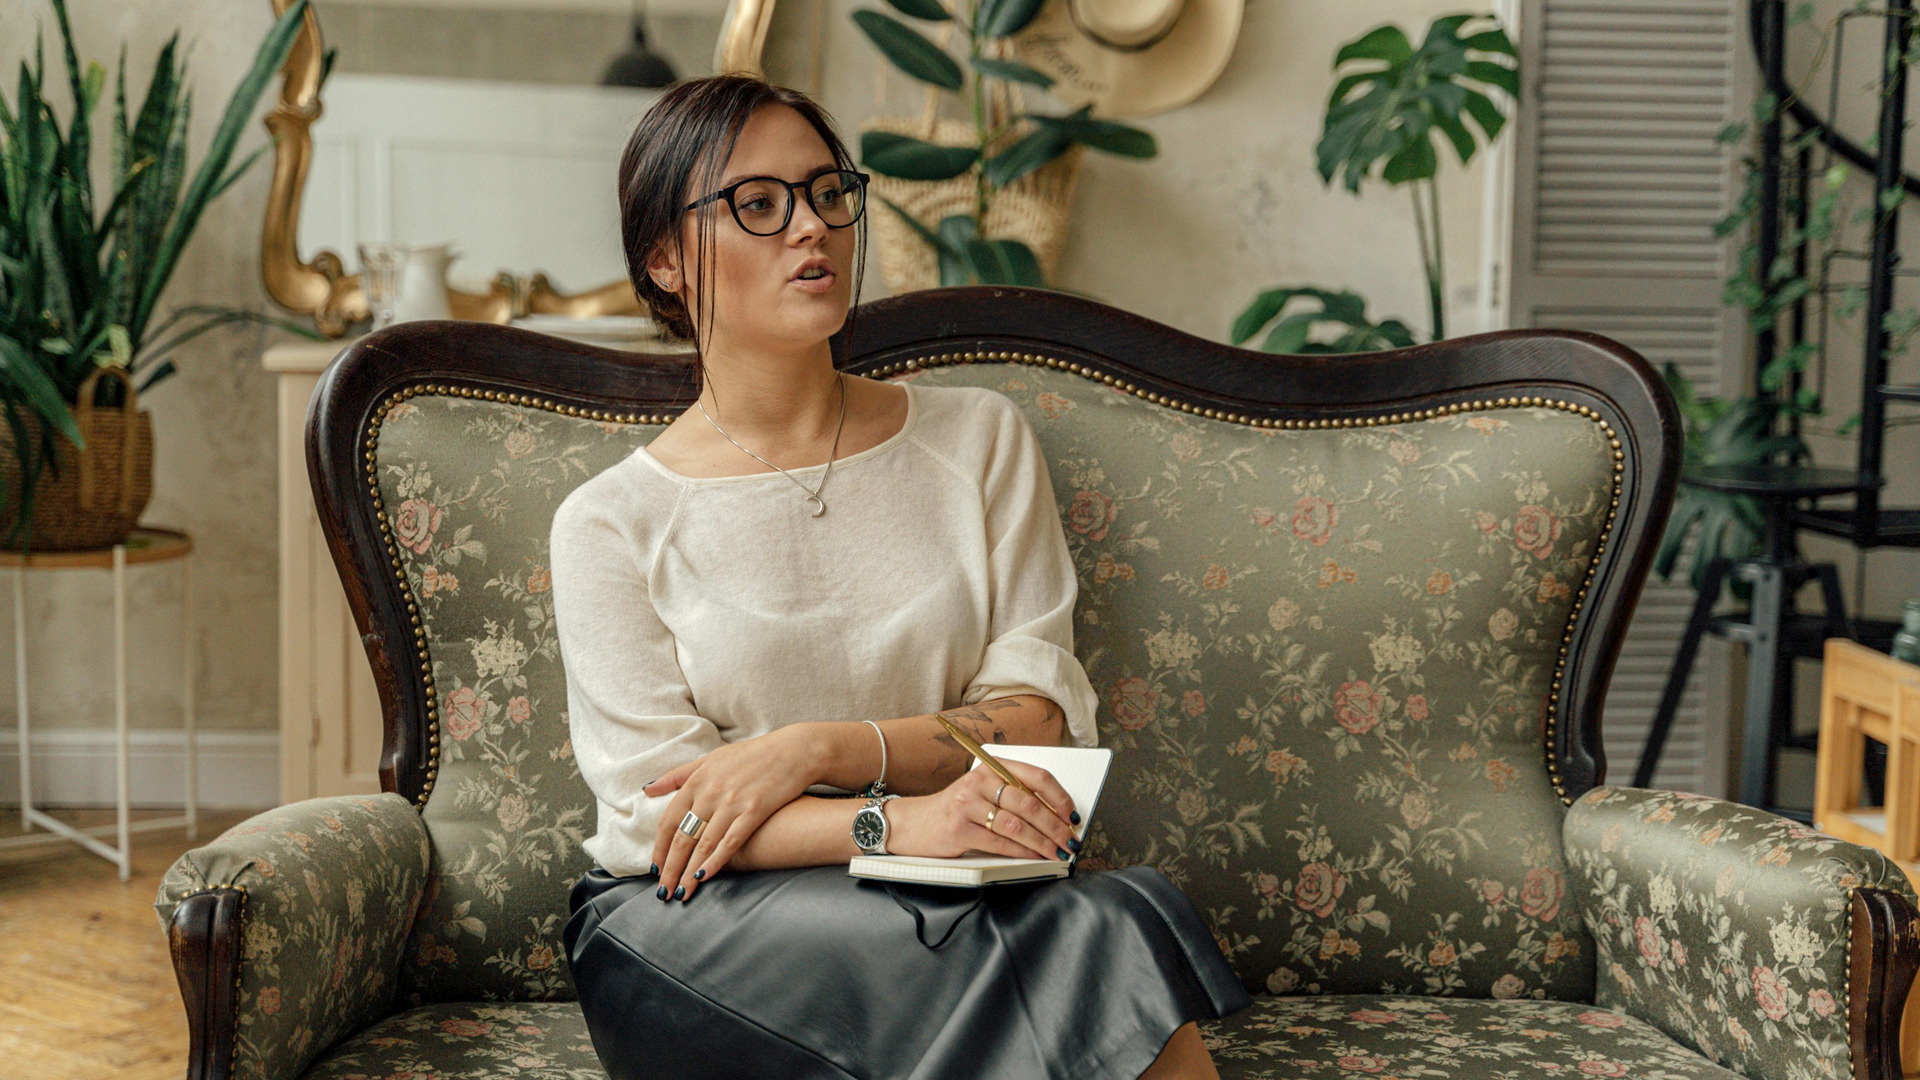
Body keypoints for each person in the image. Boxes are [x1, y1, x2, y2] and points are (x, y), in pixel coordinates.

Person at [552, 72, 1252, 1080]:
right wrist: (899, 817)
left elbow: (1039, 719)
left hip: (946, 888)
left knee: (1070, 927)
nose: (813, 230)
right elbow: (668, 820)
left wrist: (815, 749)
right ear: (666, 260)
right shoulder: (611, 523)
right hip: (696, 924)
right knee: (1085, 929)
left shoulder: (978, 442)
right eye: (759, 204)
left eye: (827, 192)